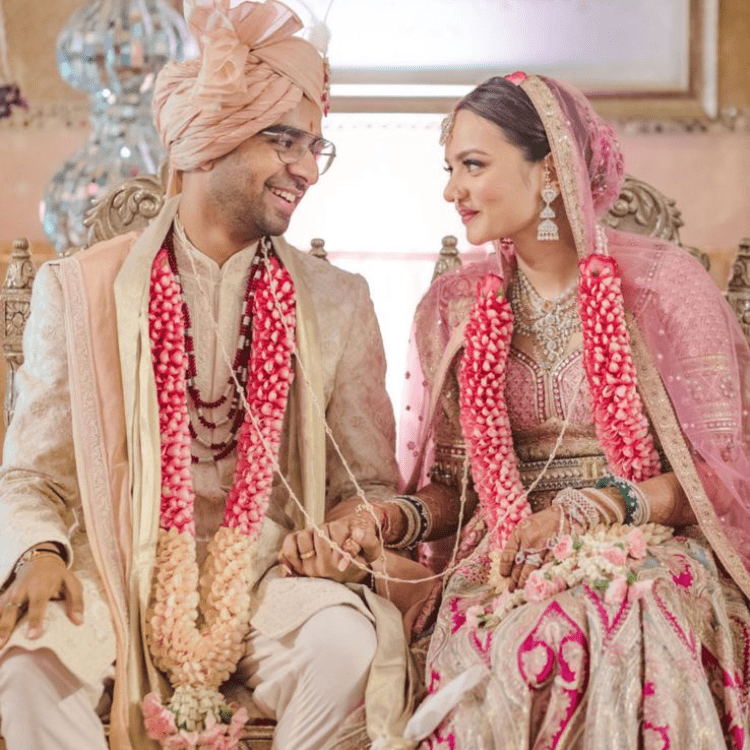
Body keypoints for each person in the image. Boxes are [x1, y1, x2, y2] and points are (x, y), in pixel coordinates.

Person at [0, 2, 424, 749]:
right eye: (282, 139)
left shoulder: (337, 303)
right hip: (111, 570)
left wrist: (347, 537)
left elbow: (365, 486)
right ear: (208, 142)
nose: (304, 169)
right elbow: (33, 475)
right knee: (29, 666)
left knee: (345, 648)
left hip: (269, 580)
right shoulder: (81, 290)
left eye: (315, 147)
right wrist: (37, 553)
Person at [352, 73, 750, 748]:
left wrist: (596, 508)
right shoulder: (453, 307)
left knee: (605, 618)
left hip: (647, 545)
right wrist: (389, 518)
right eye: (450, 170)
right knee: (521, 640)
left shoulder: (665, 288)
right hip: (507, 557)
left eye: (473, 166)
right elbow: (454, 487)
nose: (452, 191)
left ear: (551, 171)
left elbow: (720, 479)